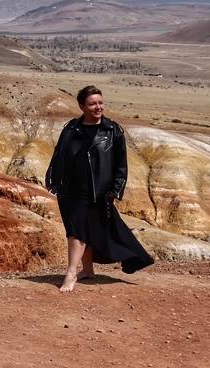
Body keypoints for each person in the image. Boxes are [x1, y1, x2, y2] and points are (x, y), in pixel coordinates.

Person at [43, 85, 153, 292]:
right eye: (93, 103)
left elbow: (121, 164)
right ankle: (87, 270)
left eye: (100, 103)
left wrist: (115, 190)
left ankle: (71, 273)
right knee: (78, 230)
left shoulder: (112, 131)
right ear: (82, 106)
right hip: (70, 189)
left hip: (97, 191)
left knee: (78, 232)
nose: (98, 107)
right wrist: (53, 177)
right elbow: (59, 154)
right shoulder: (71, 128)